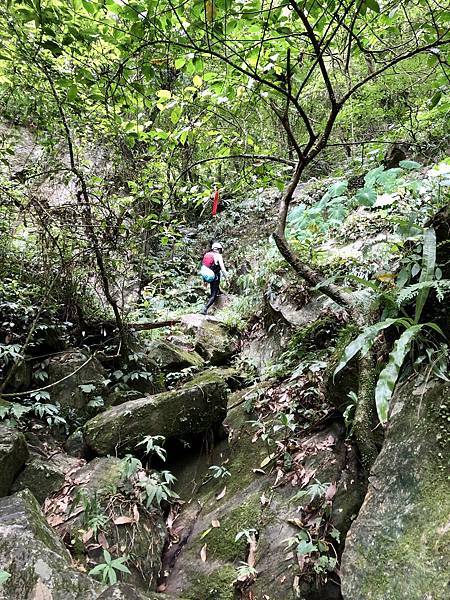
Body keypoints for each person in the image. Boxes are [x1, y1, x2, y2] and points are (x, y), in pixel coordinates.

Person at [200, 242, 228, 315]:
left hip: (205, 275)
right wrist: (227, 279)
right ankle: (205, 308)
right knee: (213, 295)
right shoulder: (218, 256)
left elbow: (206, 266)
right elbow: (223, 269)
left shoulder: (207, 254)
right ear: (219, 249)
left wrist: (204, 281)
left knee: (216, 272)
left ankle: (217, 290)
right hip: (212, 276)